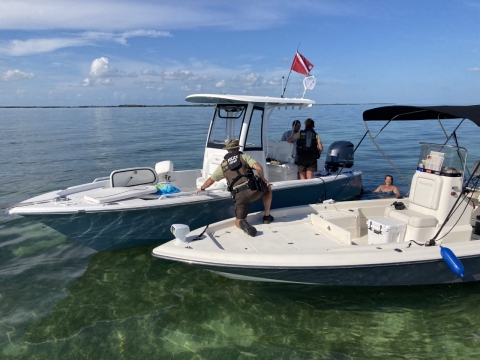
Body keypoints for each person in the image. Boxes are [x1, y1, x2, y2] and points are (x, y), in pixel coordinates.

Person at [195, 138, 274, 237]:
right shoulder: (244, 157)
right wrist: (263, 179)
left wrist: (201, 188)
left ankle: (243, 224)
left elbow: (211, 180)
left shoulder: (223, 165)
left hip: (239, 196)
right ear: (237, 148)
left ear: (227, 150)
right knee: (268, 189)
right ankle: (267, 217)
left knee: (238, 220)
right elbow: (259, 168)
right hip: (254, 190)